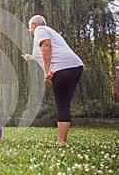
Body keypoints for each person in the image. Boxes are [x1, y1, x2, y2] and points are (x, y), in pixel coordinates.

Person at [22, 15, 83, 147]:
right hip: (75, 67)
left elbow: (46, 46)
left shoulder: (40, 29)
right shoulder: (49, 31)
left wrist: (47, 71)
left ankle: (61, 141)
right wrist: (31, 57)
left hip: (64, 68)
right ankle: (62, 141)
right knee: (64, 105)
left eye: (29, 29)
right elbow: (48, 52)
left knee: (62, 105)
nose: (31, 32)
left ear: (33, 25)